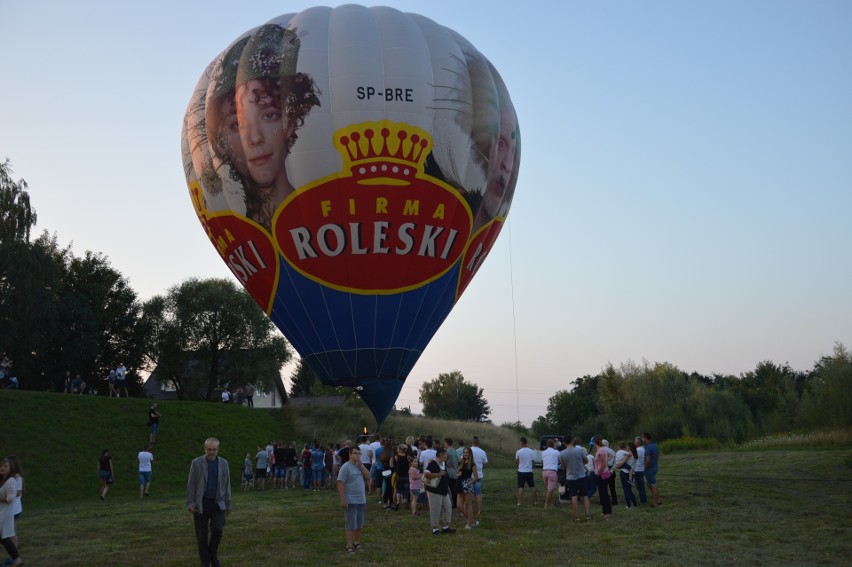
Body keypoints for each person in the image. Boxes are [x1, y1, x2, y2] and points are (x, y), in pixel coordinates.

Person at [206, 24, 321, 230]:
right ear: (220, 142)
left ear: (290, 123)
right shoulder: (238, 232)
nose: (255, 138)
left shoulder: (324, 211)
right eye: (237, 124)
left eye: (269, 115)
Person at [187, 438, 232, 567]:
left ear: (218, 449)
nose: (211, 452)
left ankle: (213, 554)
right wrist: (190, 503)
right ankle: (205, 562)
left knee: (218, 529)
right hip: (201, 504)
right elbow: (191, 485)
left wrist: (228, 505)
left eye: (214, 450)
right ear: (204, 449)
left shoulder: (224, 463)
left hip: (218, 504)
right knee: (201, 536)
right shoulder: (196, 463)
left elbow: (227, 484)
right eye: (209, 449)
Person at [337, 445, 369, 555]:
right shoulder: (345, 467)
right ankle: (349, 545)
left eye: (359, 453)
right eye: (355, 453)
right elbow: (340, 483)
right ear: (350, 454)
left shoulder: (360, 466)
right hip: (351, 499)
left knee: (359, 523)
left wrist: (361, 466)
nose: (357, 455)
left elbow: (368, 476)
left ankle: (357, 542)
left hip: (361, 500)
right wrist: (343, 499)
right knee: (350, 523)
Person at [423, 448, 455, 536]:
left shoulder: (443, 463)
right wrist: (439, 474)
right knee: (435, 509)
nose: (446, 456)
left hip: (443, 490)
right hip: (434, 491)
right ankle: (435, 528)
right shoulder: (433, 463)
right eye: (445, 455)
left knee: (448, 507)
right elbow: (426, 474)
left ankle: (445, 527)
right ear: (440, 455)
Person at [560, 437, 592, 522]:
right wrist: (580, 464)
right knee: (585, 496)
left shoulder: (562, 453)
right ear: (572, 441)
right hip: (581, 476)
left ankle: (577, 517)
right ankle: (588, 515)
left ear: (564, 443)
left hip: (570, 477)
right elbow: (586, 460)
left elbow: (564, 467)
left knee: (574, 497)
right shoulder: (579, 450)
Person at [0, 459, 22, 566]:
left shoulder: (11, 481)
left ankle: (16, 559)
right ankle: (16, 559)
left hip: (5, 513)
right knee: (3, 538)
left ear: (10, 469)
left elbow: (11, 498)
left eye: (5, 466)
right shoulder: (2, 480)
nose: (2, 468)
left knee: (4, 537)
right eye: (1, 466)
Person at [456, 446, 479, 529]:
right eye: (464, 452)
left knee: (468, 504)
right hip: (459, 483)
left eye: (467, 453)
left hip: (468, 484)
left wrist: (468, 483)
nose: (465, 454)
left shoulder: (472, 464)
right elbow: (457, 472)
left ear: (470, 454)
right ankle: (472, 521)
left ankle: (469, 523)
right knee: (459, 506)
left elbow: (476, 477)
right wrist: (458, 473)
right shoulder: (461, 462)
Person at [593, 436, 613, 519]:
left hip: (602, 474)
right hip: (602, 473)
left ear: (594, 442)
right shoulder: (600, 450)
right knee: (602, 493)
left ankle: (608, 512)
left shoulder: (601, 450)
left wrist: (599, 473)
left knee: (604, 493)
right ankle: (605, 511)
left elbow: (604, 464)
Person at [615, 442, 638, 508]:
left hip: (625, 473)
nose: (627, 447)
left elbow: (622, 463)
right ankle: (635, 504)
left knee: (626, 490)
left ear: (630, 447)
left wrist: (617, 465)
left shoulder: (628, 455)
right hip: (632, 473)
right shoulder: (635, 454)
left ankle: (628, 505)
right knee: (629, 490)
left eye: (628, 446)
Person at [470, 436, 488, 516]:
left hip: (469, 475)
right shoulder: (482, 452)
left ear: (472, 442)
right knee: (478, 493)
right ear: (478, 442)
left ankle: (468, 508)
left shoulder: (468, 450)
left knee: (468, 493)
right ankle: (479, 509)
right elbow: (485, 464)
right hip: (479, 475)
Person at [643, 432, 662, 507]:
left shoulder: (648, 447)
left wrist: (644, 468)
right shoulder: (655, 445)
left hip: (649, 469)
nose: (642, 439)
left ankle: (655, 503)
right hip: (654, 467)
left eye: (642, 437)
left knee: (652, 485)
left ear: (645, 438)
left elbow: (647, 461)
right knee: (650, 484)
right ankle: (659, 499)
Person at [540, 439, 559, 508]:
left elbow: (542, 461)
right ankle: (546, 505)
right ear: (553, 445)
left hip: (544, 471)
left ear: (547, 445)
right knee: (550, 489)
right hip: (552, 472)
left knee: (549, 489)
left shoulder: (543, 452)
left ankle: (552, 503)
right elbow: (560, 458)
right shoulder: (556, 452)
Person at [444, 438, 459, 509]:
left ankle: (451, 504)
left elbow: (445, 461)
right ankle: (455, 503)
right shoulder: (455, 451)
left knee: (449, 489)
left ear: (447, 443)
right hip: (455, 471)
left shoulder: (447, 452)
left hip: (449, 471)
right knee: (454, 489)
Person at [633, 437, 647, 505]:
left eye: (635, 442)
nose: (634, 443)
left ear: (638, 443)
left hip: (637, 469)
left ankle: (643, 500)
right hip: (642, 469)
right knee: (641, 485)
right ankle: (643, 498)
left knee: (639, 485)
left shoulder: (637, 450)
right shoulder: (643, 449)